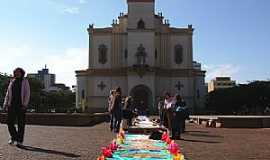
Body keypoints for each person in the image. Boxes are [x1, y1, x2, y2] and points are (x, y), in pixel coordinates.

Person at [3, 68, 30, 147]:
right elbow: (8, 94)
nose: (15, 73)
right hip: (11, 105)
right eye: (14, 72)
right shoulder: (12, 81)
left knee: (21, 123)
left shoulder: (25, 81)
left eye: (17, 72)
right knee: (9, 122)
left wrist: (25, 104)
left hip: (21, 105)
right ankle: (14, 137)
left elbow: (27, 93)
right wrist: (5, 104)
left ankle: (19, 141)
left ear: (21, 73)